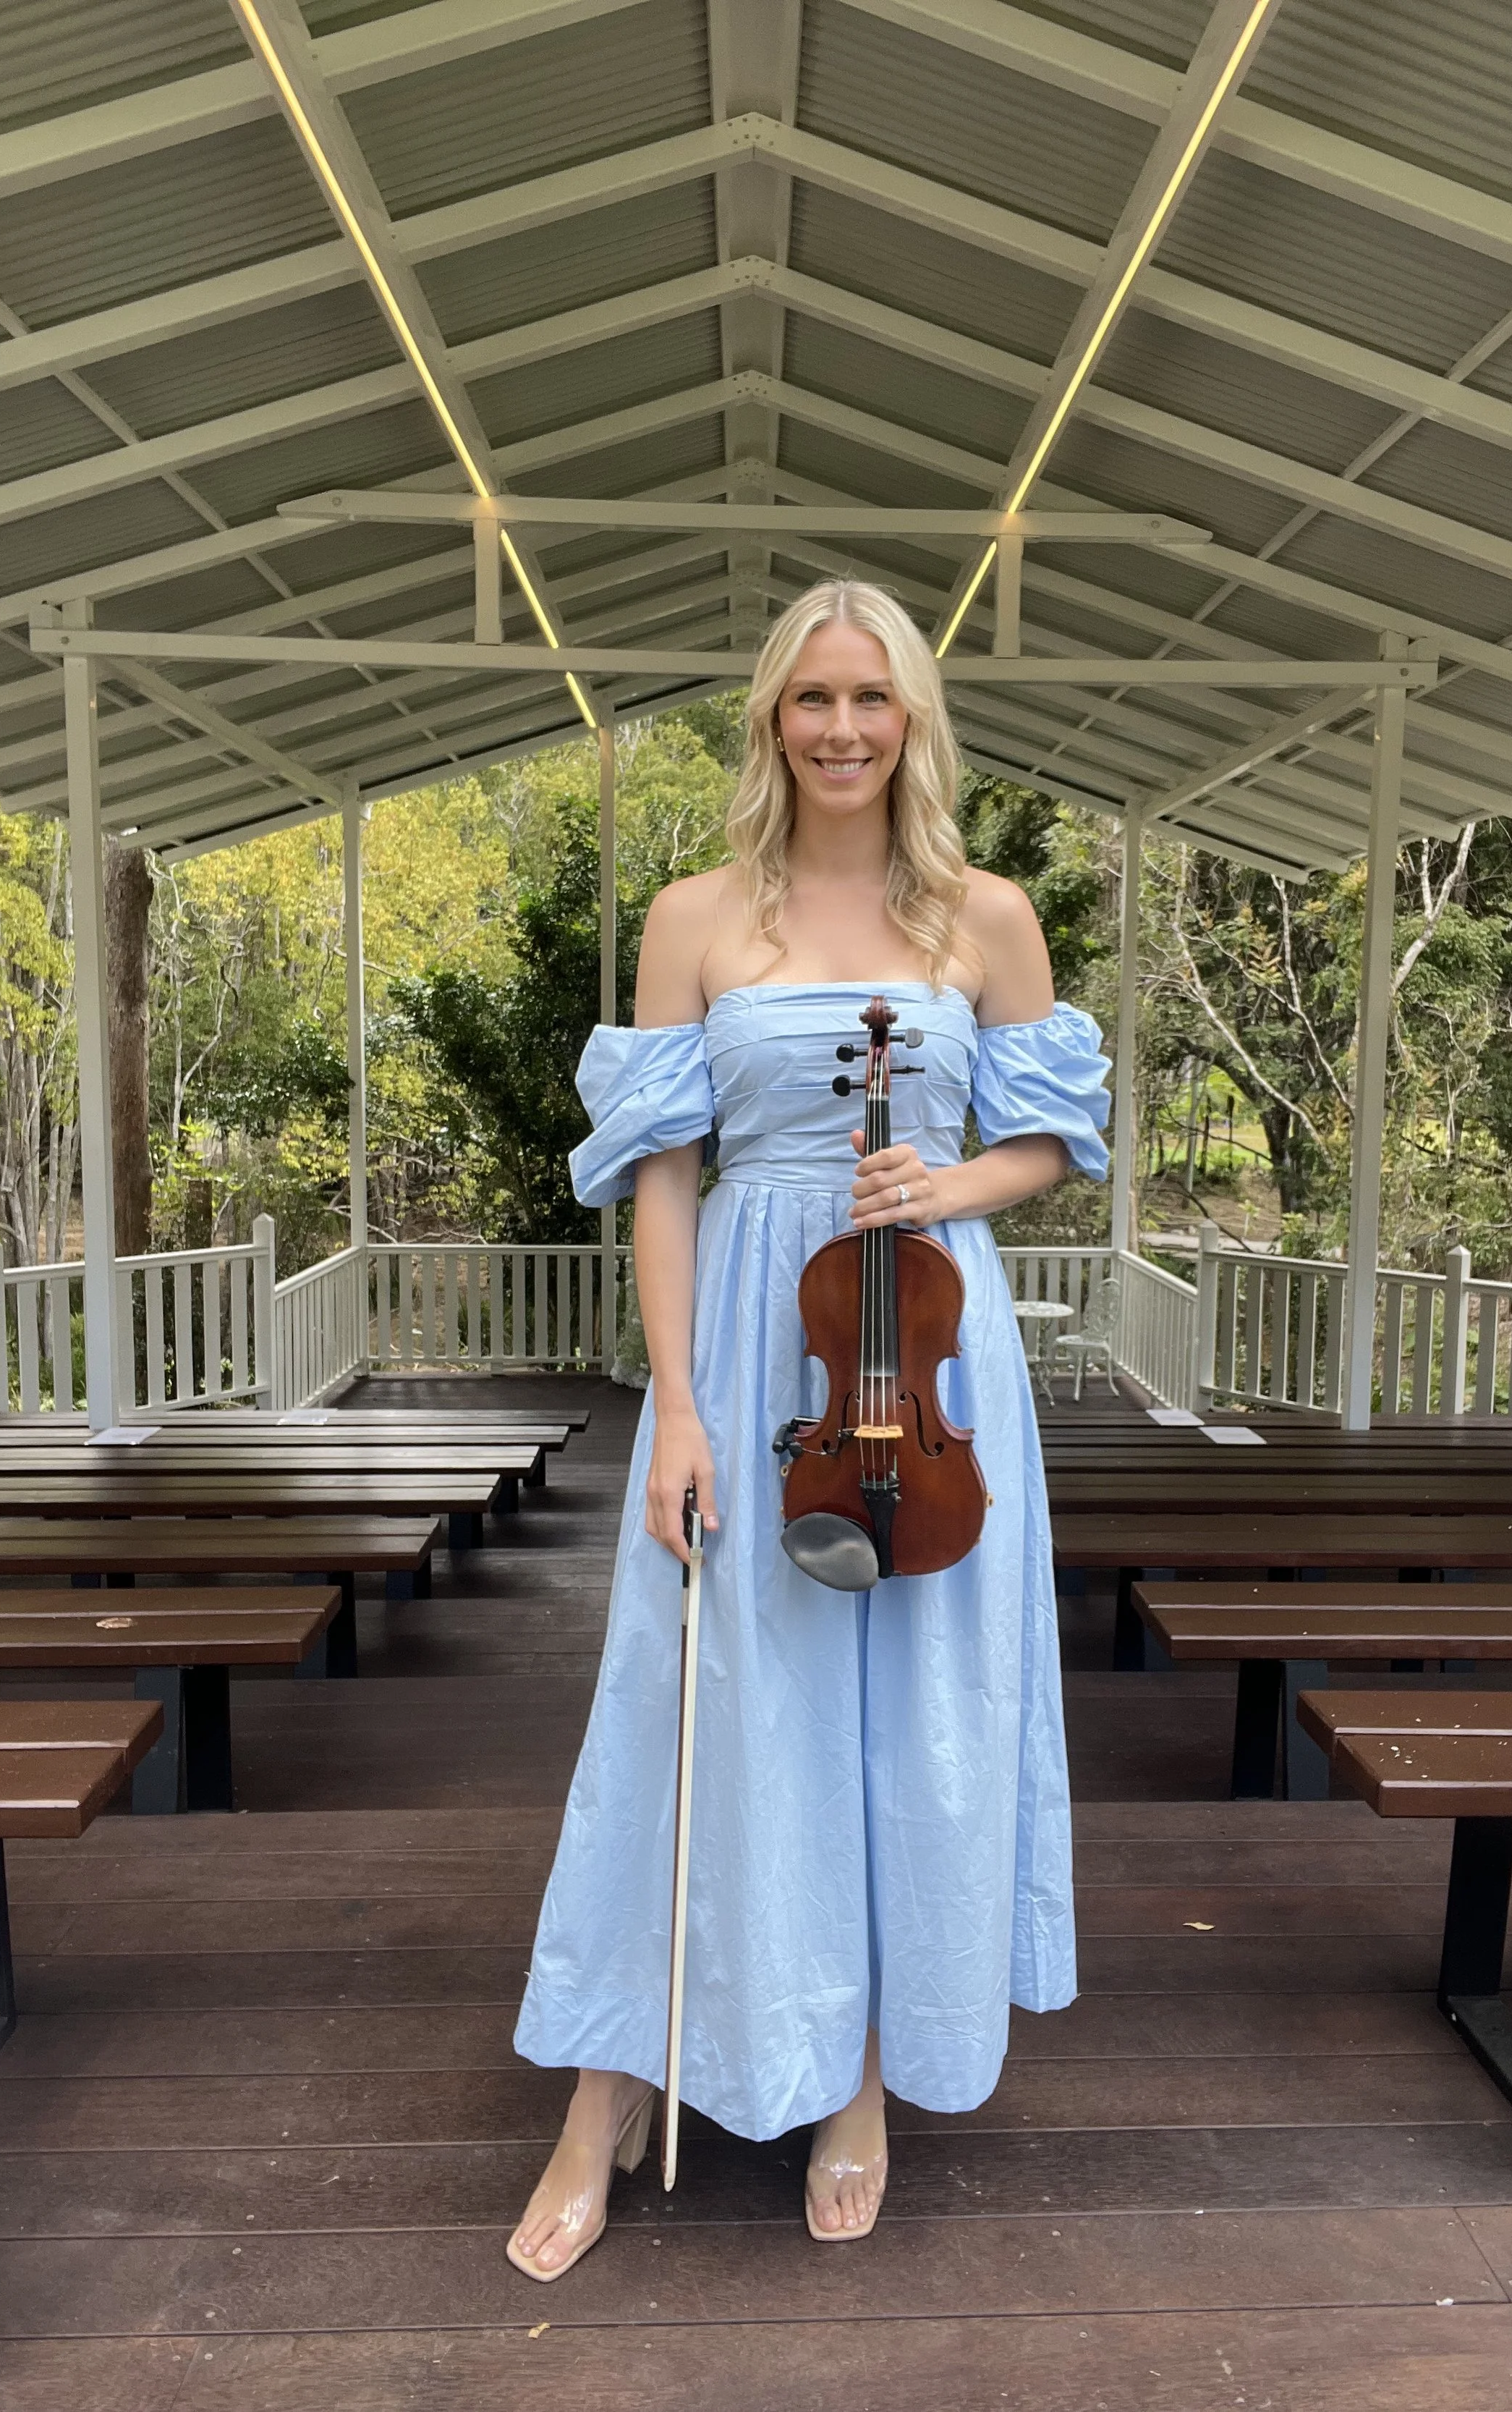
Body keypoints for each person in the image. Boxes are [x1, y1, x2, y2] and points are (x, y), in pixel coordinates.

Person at [508, 577, 1110, 2281]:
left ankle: (858, 2077)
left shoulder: (981, 917)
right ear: (768, 719)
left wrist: (948, 1177)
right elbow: (660, 1178)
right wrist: (678, 1408)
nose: (840, 728)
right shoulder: (698, 917)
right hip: (748, 1360)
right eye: (808, 699)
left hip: (920, 1356)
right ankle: (605, 2089)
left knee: (901, 1716)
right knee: (688, 1707)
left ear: (911, 718)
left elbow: (1048, 1147)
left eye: (870, 698)